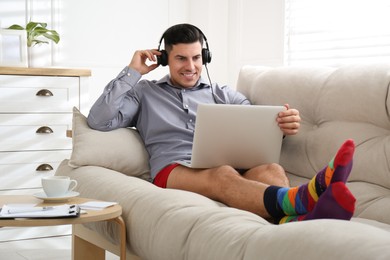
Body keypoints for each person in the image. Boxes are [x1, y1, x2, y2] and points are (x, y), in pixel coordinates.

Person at [87, 23, 356, 224]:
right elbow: (99, 120)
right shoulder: (144, 92)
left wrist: (282, 127)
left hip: (233, 163)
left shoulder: (223, 93)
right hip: (175, 167)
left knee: (270, 168)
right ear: (165, 59)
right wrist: (133, 71)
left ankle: (297, 219)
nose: (190, 66)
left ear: (205, 57)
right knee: (222, 174)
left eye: (196, 58)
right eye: (181, 58)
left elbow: (258, 129)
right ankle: (310, 194)